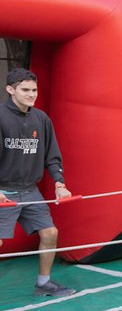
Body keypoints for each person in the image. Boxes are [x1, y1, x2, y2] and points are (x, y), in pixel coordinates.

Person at [0, 68, 76, 297]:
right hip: (3, 190)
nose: (31, 94)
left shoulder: (41, 119)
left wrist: (59, 184)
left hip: (29, 191)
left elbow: (52, 156)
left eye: (34, 90)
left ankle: (43, 284)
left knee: (50, 233)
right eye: (25, 90)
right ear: (10, 90)